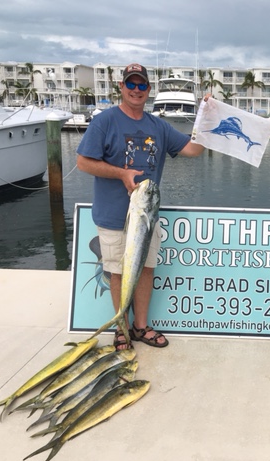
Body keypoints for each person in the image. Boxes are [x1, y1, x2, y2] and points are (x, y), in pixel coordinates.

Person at [77, 63, 206, 350]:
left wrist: (207, 120)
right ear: (121, 87)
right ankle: (120, 327)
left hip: (146, 217)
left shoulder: (158, 126)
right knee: (117, 272)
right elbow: (83, 162)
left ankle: (141, 326)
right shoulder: (104, 122)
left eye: (141, 85)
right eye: (131, 84)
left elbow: (194, 150)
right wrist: (121, 173)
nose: (136, 90)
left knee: (146, 269)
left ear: (148, 90)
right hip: (113, 216)